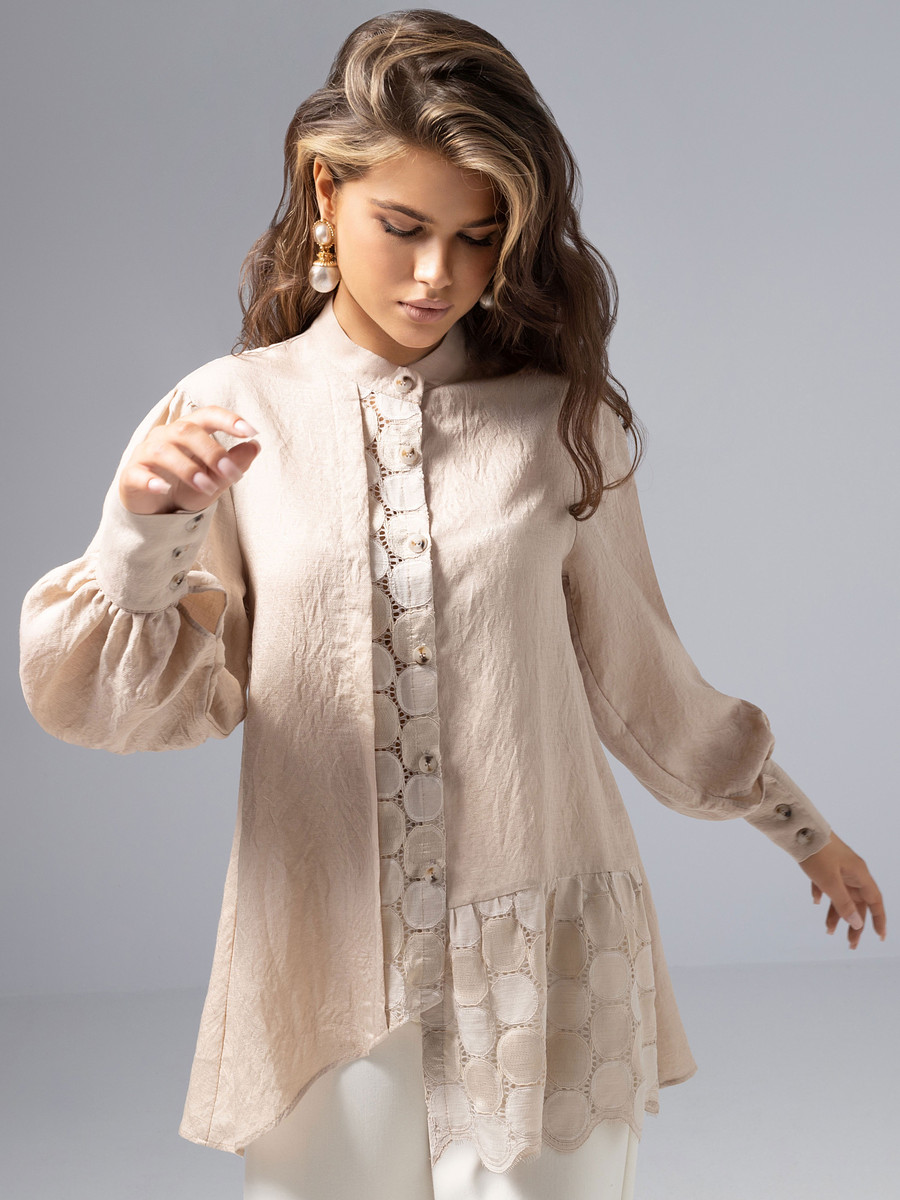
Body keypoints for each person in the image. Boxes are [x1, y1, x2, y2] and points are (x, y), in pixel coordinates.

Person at [18, 9, 886, 1200]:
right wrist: (139, 532)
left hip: (547, 965)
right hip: (319, 958)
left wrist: (803, 831)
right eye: (405, 228)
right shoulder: (226, 415)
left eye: (479, 239)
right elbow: (133, 705)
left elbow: (646, 687)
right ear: (327, 194)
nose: (440, 277)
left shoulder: (562, 424)